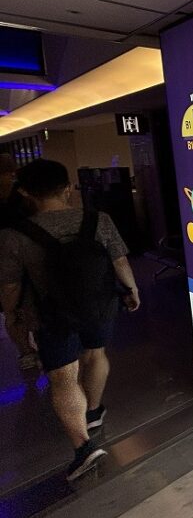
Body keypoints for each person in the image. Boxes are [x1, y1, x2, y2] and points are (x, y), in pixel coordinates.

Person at [0, 159, 141, 481]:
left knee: (64, 377)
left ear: (25, 192)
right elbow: (120, 261)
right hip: (99, 306)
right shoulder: (98, 219)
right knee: (96, 354)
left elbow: (9, 286)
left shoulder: (13, 236)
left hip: (50, 315)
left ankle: (83, 447)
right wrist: (132, 290)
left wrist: (12, 314)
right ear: (67, 188)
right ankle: (93, 411)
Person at [0, 154, 40, 369]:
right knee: (34, 302)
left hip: (3, 259)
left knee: (10, 309)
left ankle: (26, 352)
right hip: (27, 253)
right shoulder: (24, 193)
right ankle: (42, 347)